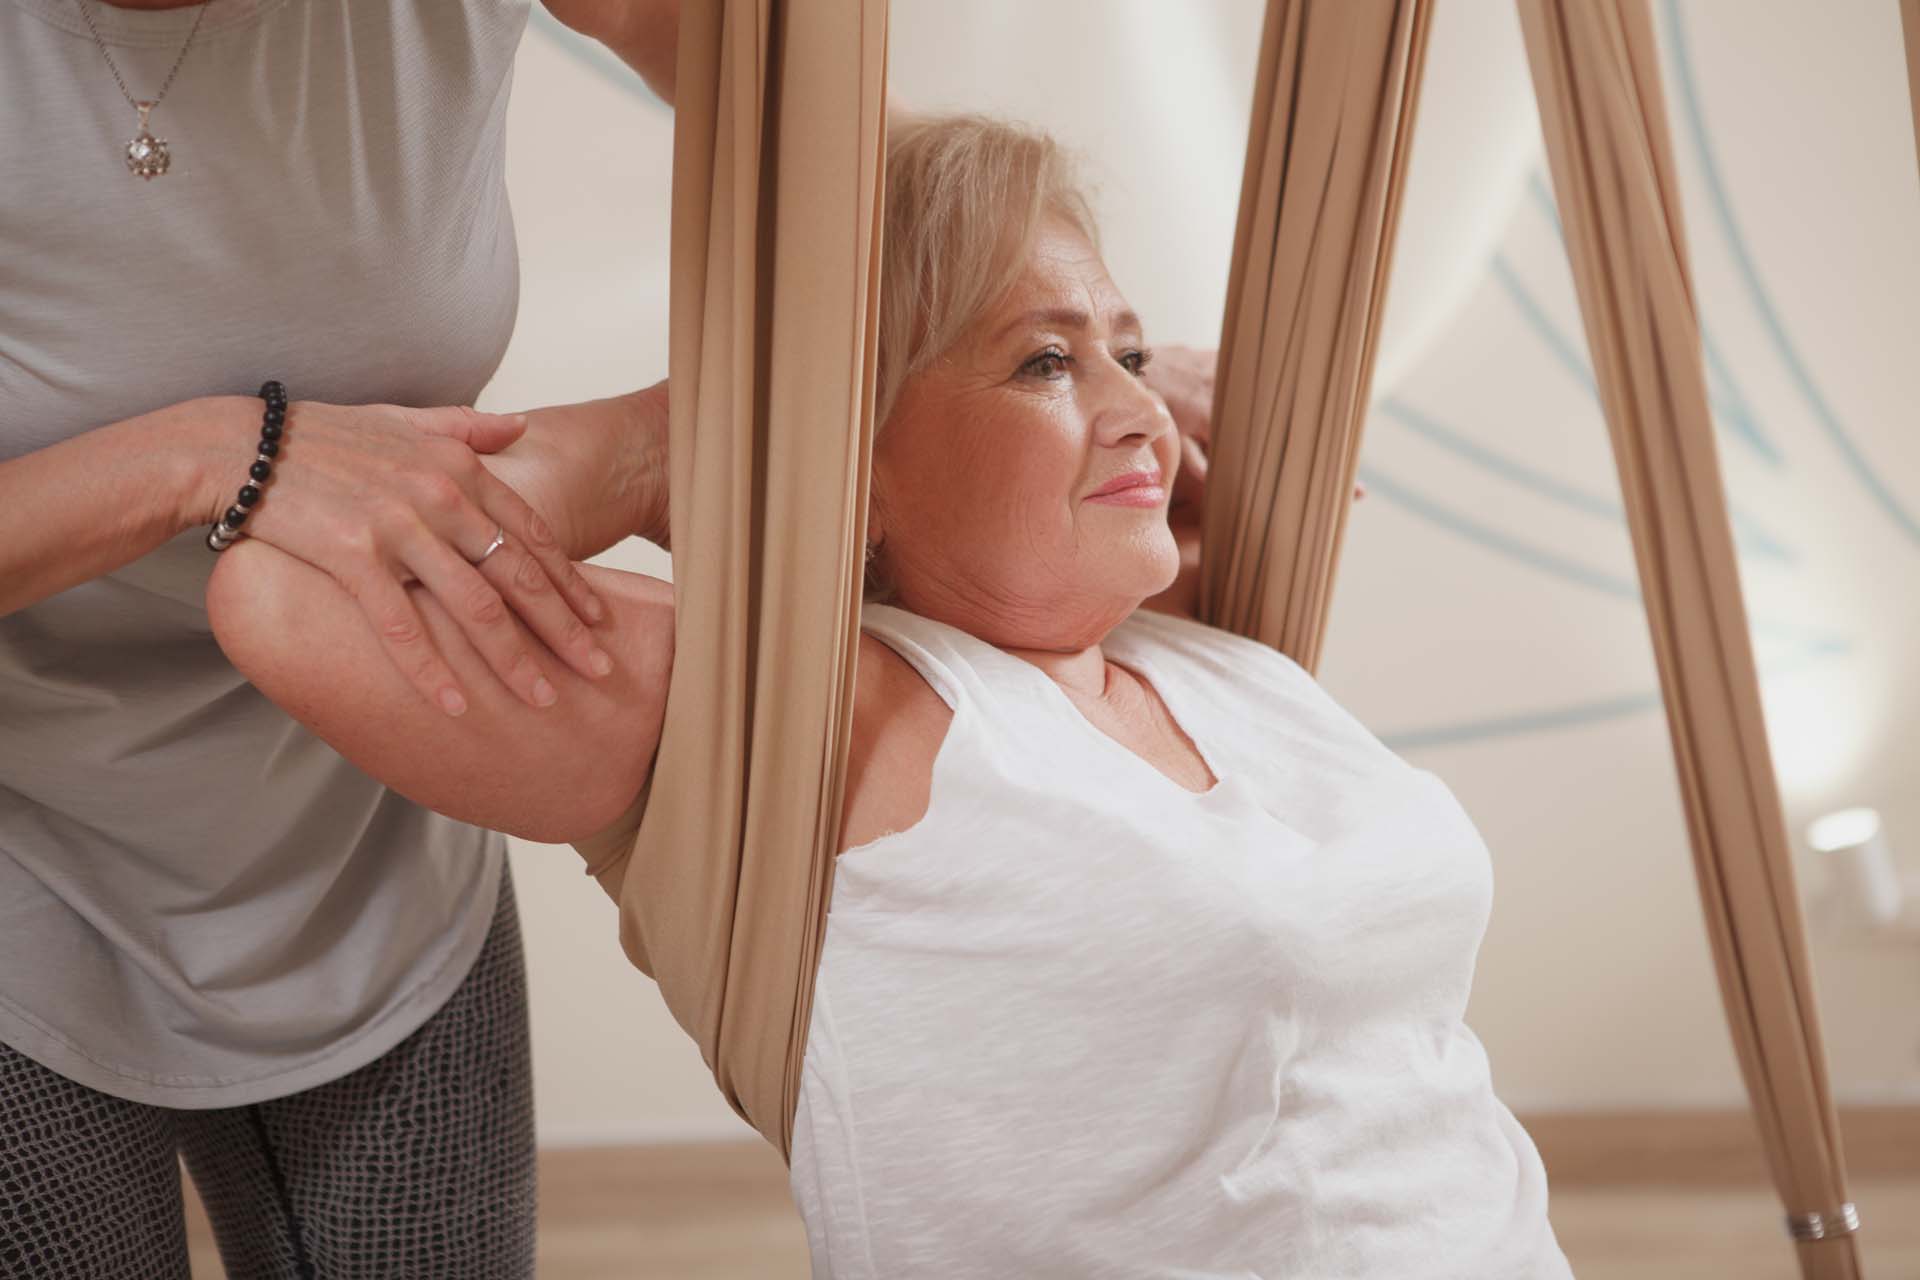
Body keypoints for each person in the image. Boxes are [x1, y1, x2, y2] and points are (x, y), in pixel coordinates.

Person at [207, 113, 1572, 1278]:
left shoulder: (1226, 669)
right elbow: (288, 594)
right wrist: (679, 445)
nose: (1140, 409)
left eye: (1134, 356)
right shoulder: (841, 714)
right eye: (1047, 360)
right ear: (862, 453)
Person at [0, 1, 678, 1276]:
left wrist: (1037, 294)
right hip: (21, 839)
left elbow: (818, 117)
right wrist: (207, 453)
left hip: (377, 820)